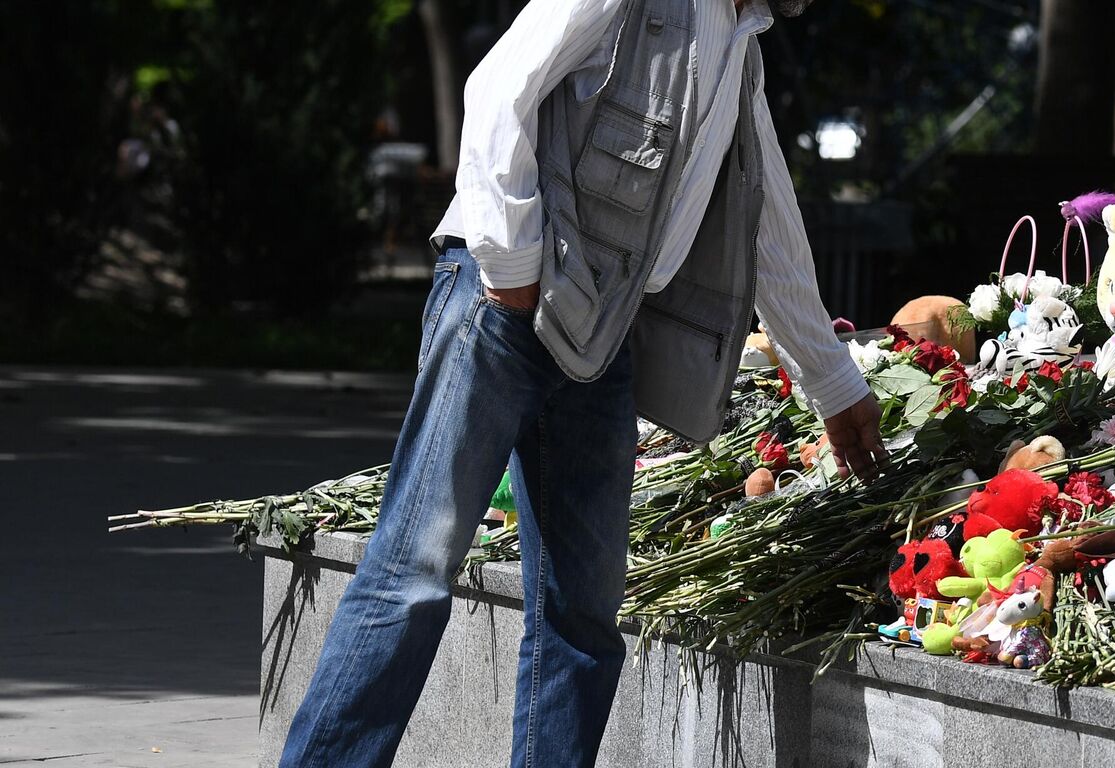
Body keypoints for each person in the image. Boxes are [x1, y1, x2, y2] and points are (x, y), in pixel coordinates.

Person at [277, 1, 886, 766]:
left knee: (583, 616)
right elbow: (497, 89)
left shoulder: (743, 45)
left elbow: (768, 223)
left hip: (599, 329)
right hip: (501, 299)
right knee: (414, 574)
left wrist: (832, 383)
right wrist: (514, 273)